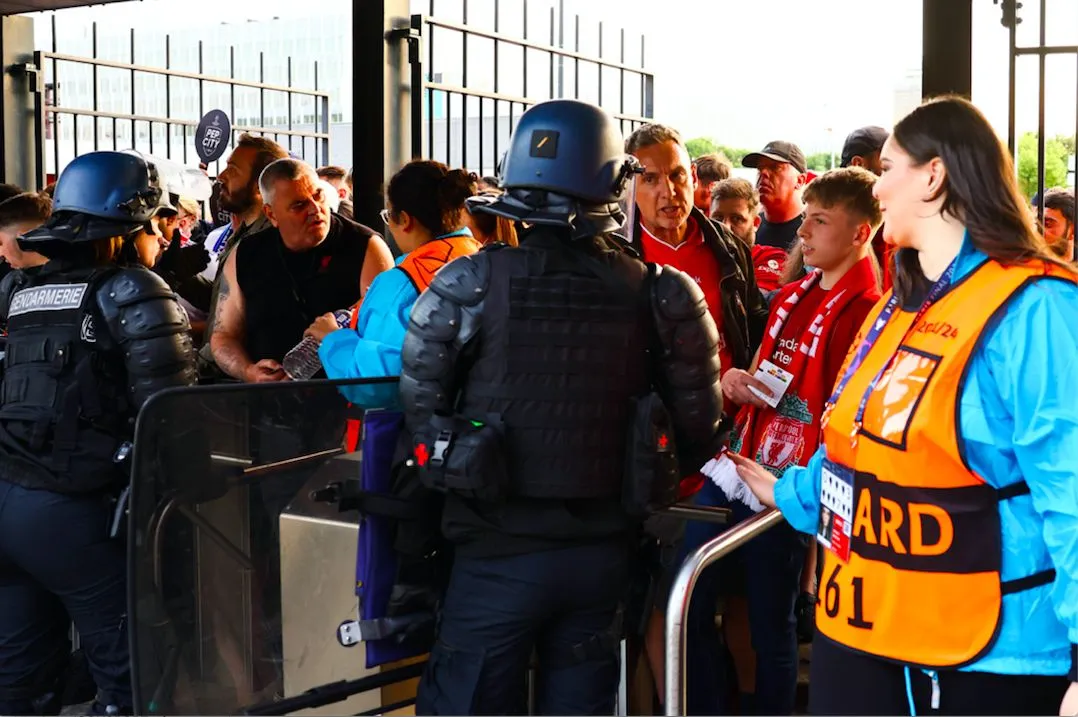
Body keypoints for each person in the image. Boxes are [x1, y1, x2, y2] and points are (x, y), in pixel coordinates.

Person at [731, 96, 1078, 716]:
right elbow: (862, 448)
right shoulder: (900, 304)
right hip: (863, 630)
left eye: (888, 169)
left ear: (934, 175)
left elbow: (1070, 487)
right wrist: (789, 491)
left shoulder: (1037, 307)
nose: (876, 187)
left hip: (986, 650)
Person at [398, 99, 726, 715]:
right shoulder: (662, 292)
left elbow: (421, 411)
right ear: (613, 182)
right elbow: (699, 429)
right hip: (602, 553)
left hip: (493, 554)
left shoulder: (467, 284)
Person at [0, 151, 198, 715]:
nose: (161, 237)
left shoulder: (20, 289)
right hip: (75, 513)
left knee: (19, 682)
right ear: (128, 227)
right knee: (135, 680)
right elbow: (171, 416)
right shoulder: (133, 290)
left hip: (9, 500)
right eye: (155, 225)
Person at [687, 167, 883, 715]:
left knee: (770, 625)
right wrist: (734, 382)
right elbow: (762, 371)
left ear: (859, 233)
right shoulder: (793, 294)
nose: (803, 231)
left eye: (819, 221)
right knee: (687, 597)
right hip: (741, 460)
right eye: (806, 219)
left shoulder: (869, 310)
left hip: (790, 484)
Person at [309, 160, 481, 409]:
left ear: (406, 220)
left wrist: (334, 339)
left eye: (389, 215)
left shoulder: (401, 283)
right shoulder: (482, 259)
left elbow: (373, 383)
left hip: (420, 423)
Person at [210, 158, 393, 383]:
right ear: (271, 214)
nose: (315, 209)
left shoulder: (366, 246)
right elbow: (223, 336)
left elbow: (384, 338)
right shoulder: (246, 253)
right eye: (299, 205)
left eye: (318, 196)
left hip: (343, 393)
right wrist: (248, 371)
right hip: (269, 395)